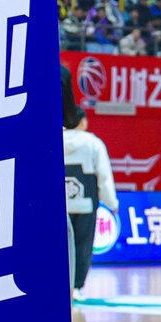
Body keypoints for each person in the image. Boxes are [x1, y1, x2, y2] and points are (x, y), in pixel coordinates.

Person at [63, 112, 117, 291]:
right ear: (82, 122)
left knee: (59, 248)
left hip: (59, 206)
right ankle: (77, 287)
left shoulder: (53, 140)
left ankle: (59, 285)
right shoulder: (93, 143)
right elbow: (104, 176)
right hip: (85, 204)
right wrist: (112, 203)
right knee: (82, 247)